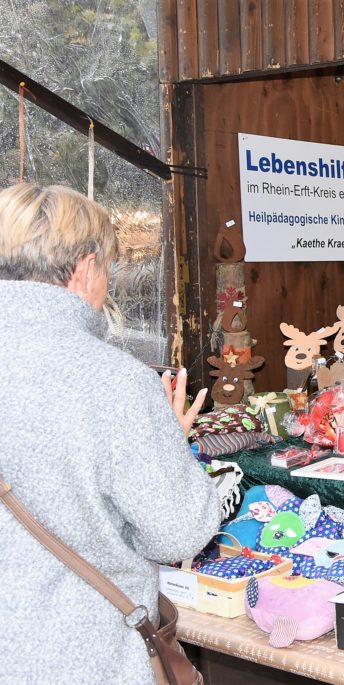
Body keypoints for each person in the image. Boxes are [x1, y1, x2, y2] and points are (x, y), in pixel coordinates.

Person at [0, 183, 221, 684]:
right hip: (78, 657)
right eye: (108, 269)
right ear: (83, 269)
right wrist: (170, 443)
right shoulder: (111, 381)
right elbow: (178, 531)